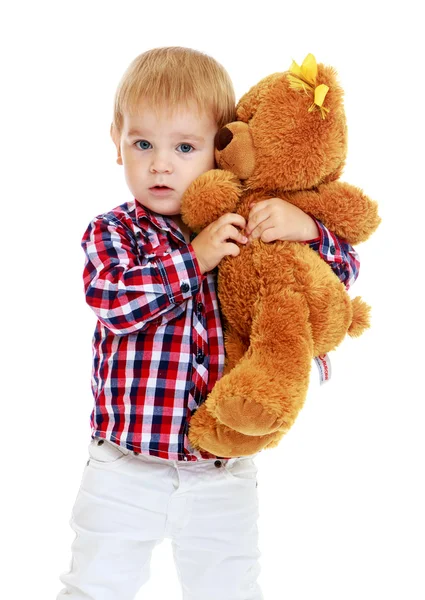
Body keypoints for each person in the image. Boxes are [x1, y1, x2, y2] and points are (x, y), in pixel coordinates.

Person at [56, 47, 360, 600]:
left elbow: (332, 280)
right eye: (142, 144)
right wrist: (193, 259)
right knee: (95, 583)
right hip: (125, 463)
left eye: (185, 147)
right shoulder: (115, 231)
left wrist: (309, 230)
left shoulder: (243, 224)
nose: (160, 164)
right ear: (116, 142)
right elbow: (112, 300)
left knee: (230, 585)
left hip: (221, 469)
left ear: (221, 150)